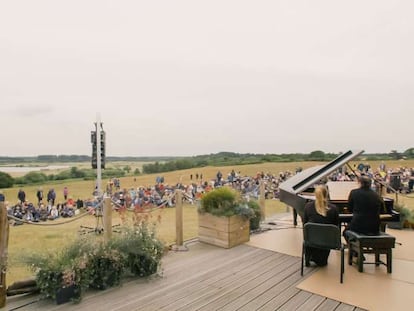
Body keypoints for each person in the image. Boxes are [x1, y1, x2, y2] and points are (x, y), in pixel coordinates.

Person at [303, 185, 339, 267]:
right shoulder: (333, 208)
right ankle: (320, 258)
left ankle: (309, 256)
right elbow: (335, 225)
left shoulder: (308, 207)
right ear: (327, 194)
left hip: (311, 241)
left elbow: (305, 223)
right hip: (327, 242)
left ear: (315, 194)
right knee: (323, 263)